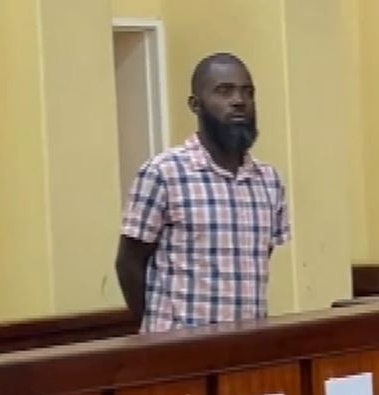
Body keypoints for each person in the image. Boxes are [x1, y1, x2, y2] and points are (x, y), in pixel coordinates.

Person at [115, 52, 291, 333]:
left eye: (248, 92)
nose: (239, 101)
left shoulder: (269, 181)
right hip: (178, 347)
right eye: (224, 91)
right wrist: (158, 329)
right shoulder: (163, 173)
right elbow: (129, 263)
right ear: (195, 105)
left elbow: (256, 259)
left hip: (248, 345)